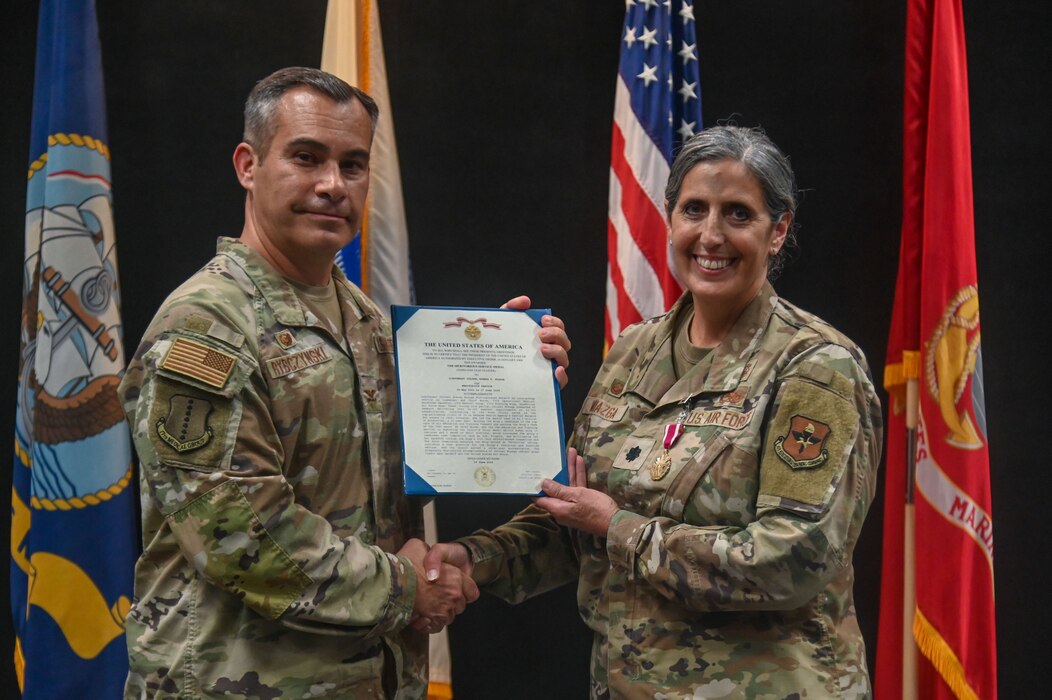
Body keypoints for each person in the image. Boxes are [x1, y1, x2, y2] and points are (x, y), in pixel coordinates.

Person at [118, 67, 570, 699]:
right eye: (306, 158)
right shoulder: (206, 328)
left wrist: (513, 378)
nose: (332, 185)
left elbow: (421, 473)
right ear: (248, 165)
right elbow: (239, 536)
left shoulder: (367, 323)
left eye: (353, 165)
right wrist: (412, 587)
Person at [428, 126, 883, 698]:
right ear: (670, 218)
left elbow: (791, 562)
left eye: (738, 214)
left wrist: (619, 527)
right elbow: (577, 521)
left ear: (778, 230)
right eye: (694, 209)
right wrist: (475, 557)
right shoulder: (633, 352)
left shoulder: (817, 369)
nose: (711, 235)